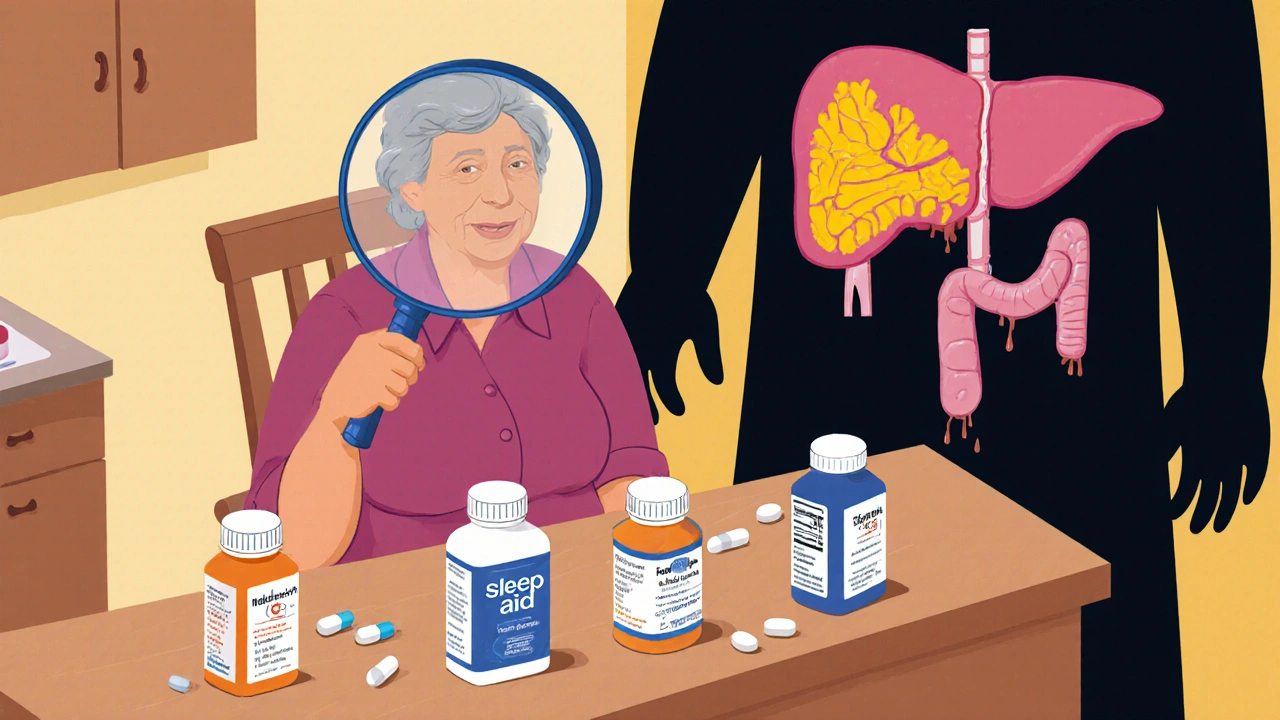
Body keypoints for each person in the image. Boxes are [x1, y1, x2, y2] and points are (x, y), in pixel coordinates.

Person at [617, 2, 1270, 718]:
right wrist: (668, 265)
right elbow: (720, 40)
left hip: (1071, 425)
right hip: (844, 387)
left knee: (1078, 645)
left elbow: (1208, 92)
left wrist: (1226, 358)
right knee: (822, 643)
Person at [245, 72, 666, 570]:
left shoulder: (577, 295)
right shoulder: (343, 314)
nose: (501, 194)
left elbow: (633, 476)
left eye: (517, 164)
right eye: (467, 169)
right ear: (414, 190)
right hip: (400, 612)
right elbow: (293, 553)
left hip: (577, 587)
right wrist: (335, 415)